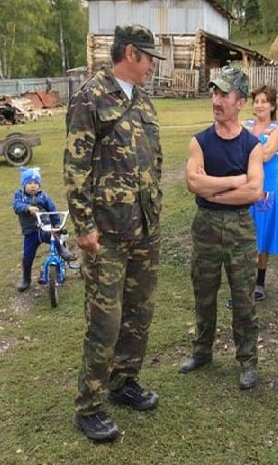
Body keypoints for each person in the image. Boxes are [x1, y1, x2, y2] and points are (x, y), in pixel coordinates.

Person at [64, 24, 165, 443]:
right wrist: (84, 226)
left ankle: (124, 382)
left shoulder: (142, 100)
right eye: (147, 58)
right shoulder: (90, 96)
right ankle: (88, 407)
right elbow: (75, 166)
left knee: (139, 312)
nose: (152, 68)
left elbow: (153, 160)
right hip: (105, 232)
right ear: (129, 53)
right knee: (105, 320)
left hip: (143, 228)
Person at [179, 65, 264, 390]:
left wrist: (212, 189)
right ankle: (202, 352)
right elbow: (192, 183)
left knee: (243, 296)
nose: (217, 100)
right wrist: (232, 181)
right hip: (206, 227)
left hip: (241, 228)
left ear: (239, 101)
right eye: (214, 92)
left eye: (224, 94)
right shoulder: (199, 142)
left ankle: (248, 361)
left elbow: (254, 191)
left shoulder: (251, 145)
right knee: (204, 293)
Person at [232, 86, 278, 305]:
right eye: (256, 101)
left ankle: (259, 283)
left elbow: (265, 155)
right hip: (244, 188)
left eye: (264, 101)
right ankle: (240, 287)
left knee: (261, 238)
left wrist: (244, 148)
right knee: (239, 238)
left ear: (272, 105)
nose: (259, 105)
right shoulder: (246, 125)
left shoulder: (277, 130)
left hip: (265, 191)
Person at [12, 166, 75, 292]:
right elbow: (16, 206)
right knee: (27, 256)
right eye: (29, 183)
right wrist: (27, 208)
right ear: (23, 185)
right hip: (30, 232)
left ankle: (61, 250)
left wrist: (56, 224)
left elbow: (52, 210)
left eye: (36, 183)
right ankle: (26, 279)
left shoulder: (44, 197)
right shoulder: (20, 196)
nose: (33, 186)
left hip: (44, 228)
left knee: (53, 237)